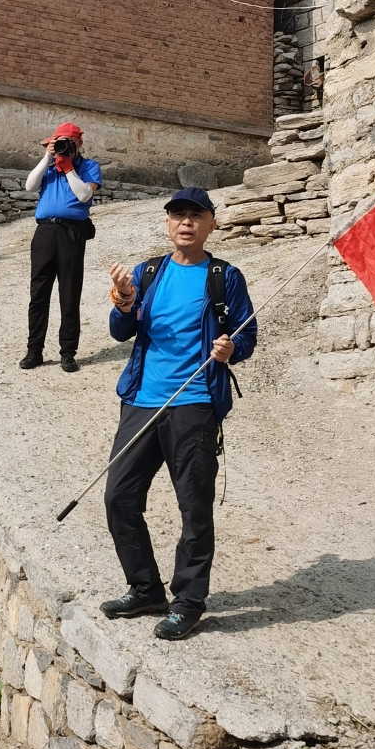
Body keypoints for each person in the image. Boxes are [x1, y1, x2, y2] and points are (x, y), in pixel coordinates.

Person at [101, 186, 256, 641]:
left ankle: (188, 600)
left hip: (194, 405)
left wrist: (231, 349)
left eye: (195, 215)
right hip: (142, 401)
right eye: (177, 215)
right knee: (118, 497)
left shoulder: (224, 276)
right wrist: (125, 302)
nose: (185, 222)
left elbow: (247, 334)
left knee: (194, 506)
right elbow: (121, 332)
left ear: (211, 223)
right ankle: (146, 588)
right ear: (167, 224)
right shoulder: (148, 272)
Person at [21, 121, 103, 372]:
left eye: (66, 143)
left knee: (69, 294)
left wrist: (68, 168)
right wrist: (47, 157)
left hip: (71, 233)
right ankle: (34, 350)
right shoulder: (49, 165)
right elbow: (29, 186)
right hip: (45, 232)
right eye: (57, 143)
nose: (62, 148)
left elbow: (84, 195)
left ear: (79, 144)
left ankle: (68, 353)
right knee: (39, 294)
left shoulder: (89, 167)